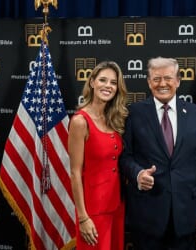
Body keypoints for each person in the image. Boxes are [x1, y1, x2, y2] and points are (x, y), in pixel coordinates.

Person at [119, 57, 196, 250]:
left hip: (186, 213)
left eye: (168, 78)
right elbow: (124, 157)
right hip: (146, 213)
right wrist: (138, 173)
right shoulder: (133, 113)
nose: (162, 84)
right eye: (156, 79)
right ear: (148, 82)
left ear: (178, 81)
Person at [68, 61, 128, 250]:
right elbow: (75, 173)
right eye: (103, 80)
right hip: (93, 211)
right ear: (92, 82)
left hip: (117, 207)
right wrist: (83, 217)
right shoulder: (80, 121)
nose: (108, 86)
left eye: (113, 82)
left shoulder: (115, 119)